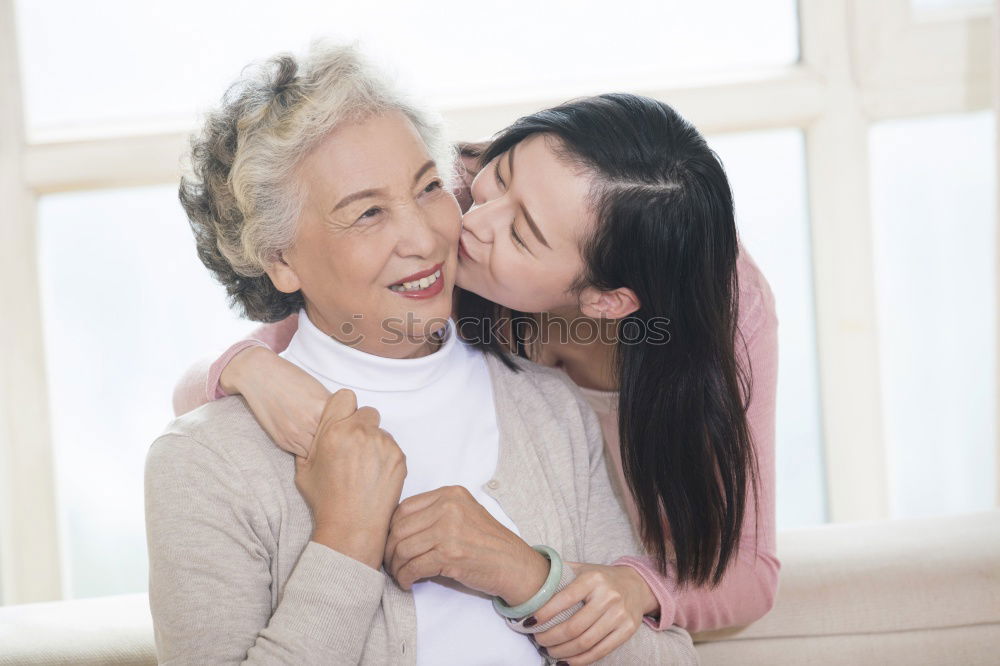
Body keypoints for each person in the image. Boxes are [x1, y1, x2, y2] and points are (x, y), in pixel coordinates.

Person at [146, 42, 697, 665]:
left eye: (428, 187)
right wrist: (347, 540)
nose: (424, 236)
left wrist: (523, 573)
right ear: (280, 260)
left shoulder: (550, 410)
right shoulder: (204, 462)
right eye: (369, 213)